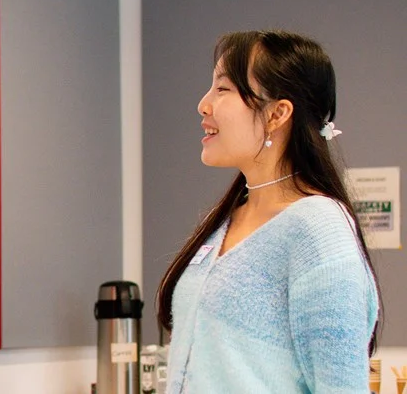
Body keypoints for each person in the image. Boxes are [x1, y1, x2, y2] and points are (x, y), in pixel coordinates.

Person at [156, 30, 381, 392]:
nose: (203, 104)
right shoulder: (228, 221)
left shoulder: (318, 229)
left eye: (223, 89)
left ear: (278, 113)